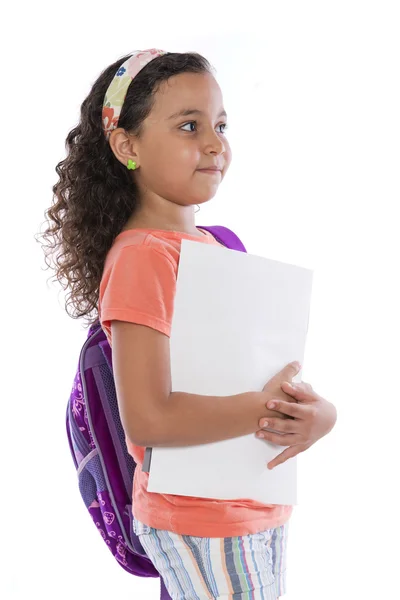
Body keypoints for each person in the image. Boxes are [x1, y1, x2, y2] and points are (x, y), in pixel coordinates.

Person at [39, 49, 337, 599]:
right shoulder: (143, 257)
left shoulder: (217, 246)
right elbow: (149, 419)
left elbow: (253, 373)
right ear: (127, 145)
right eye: (188, 126)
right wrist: (265, 412)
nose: (215, 143)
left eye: (220, 125)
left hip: (253, 500)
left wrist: (314, 413)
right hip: (197, 514)